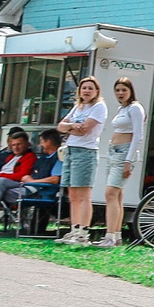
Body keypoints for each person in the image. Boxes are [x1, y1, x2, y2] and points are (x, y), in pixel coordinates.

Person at [53, 76, 106, 245]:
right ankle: (73, 230)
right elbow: (60, 127)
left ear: (97, 91)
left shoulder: (99, 107)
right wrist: (71, 127)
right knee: (72, 194)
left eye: (90, 88)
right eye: (84, 88)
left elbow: (84, 130)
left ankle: (83, 233)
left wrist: (71, 127)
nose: (86, 91)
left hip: (86, 152)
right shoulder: (78, 107)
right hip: (70, 150)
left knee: (84, 194)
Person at [97, 77, 145, 246]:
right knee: (117, 194)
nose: (120, 93)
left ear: (131, 91)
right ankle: (116, 235)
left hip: (124, 153)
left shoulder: (135, 108)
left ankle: (109, 236)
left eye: (124, 90)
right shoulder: (121, 109)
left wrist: (128, 160)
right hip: (113, 151)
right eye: (117, 90)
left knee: (110, 192)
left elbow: (138, 135)